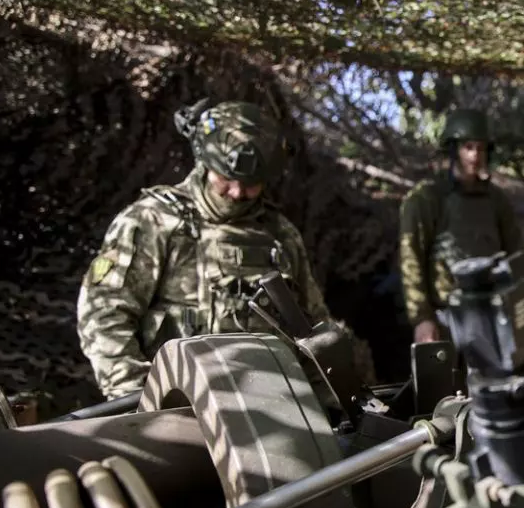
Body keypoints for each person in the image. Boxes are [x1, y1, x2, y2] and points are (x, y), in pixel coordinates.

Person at [77, 99, 341, 400]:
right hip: (180, 407)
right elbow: (104, 315)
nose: (238, 192)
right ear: (204, 162)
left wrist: (330, 400)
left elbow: (313, 328)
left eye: (251, 183)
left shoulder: (280, 235)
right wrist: (137, 396)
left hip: (271, 407)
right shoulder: (154, 221)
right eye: (226, 178)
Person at [399, 108, 524, 344]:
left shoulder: (495, 199)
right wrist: (421, 318)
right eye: (468, 147)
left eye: (480, 148)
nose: (475, 156)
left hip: (494, 310)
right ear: (453, 150)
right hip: (447, 316)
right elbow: (412, 259)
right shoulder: (427, 198)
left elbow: (517, 253)